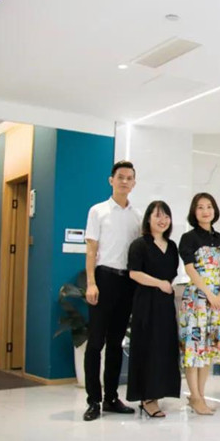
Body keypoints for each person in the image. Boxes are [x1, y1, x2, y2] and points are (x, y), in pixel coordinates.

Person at [82, 160, 141, 422]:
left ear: (134, 183)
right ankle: (93, 401)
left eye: (129, 178)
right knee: (96, 343)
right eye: (120, 177)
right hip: (103, 279)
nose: (124, 181)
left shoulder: (137, 216)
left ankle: (111, 398)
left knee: (116, 343)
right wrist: (91, 282)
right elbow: (91, 250)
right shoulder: (98, 211)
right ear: (111, 180)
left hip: (126, 283)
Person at [126, 201, 181, 417]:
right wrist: (159, 283)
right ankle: (147, 398)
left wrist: (167, 286)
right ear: (148, 219)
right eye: (158, 215)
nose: (162, 220)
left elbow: (173, 273)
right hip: (146, 302)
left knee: (163, 348)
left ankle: (159, 393)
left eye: (166, 216)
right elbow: (134, 273)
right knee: (147, 347)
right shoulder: (139, 245)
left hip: (165, 303)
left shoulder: (172, 246)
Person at [178, 193, 220, 416]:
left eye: (209, 206)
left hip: (217, 300)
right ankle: (195, 396)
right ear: (194, 211)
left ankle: (200, 395)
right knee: (194, 349)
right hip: (197, 299)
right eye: (200, 207)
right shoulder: (188, 238)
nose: (205, 211)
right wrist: (209, 293)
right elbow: (190, 269)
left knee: (208, 349)